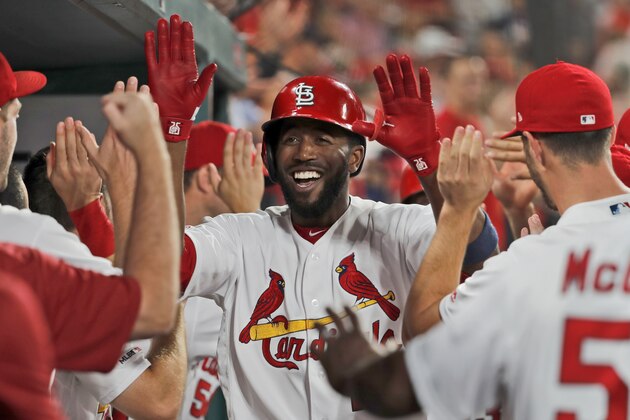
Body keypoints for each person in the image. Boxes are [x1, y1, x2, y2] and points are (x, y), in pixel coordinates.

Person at [146, 15, 496, 418]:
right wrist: (172, 135)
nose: (304, 151)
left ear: (356, 158)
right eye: (291, 138)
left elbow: (478, 251)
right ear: (270, 160)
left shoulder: (399, 226)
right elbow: (165, 264)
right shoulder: (240, 236)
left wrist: (426, 160)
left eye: (323, 138)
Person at [316, 61, 630, 419]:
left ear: (534, 149)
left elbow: (422, 337)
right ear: (608, 138)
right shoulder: (535, 261)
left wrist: (459, 209)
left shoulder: (529, 267)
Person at [0, 51, 181, 418]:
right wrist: (139, 170)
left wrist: (91, 210)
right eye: (14, 113)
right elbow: (159, 399)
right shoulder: (21, 237)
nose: (15, 123)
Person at [181, 121, 264, 420]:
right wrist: (249, 215)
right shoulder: (204, 266)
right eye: (245, 176)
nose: (258, 188)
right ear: (207, 177)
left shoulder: (216, 253)